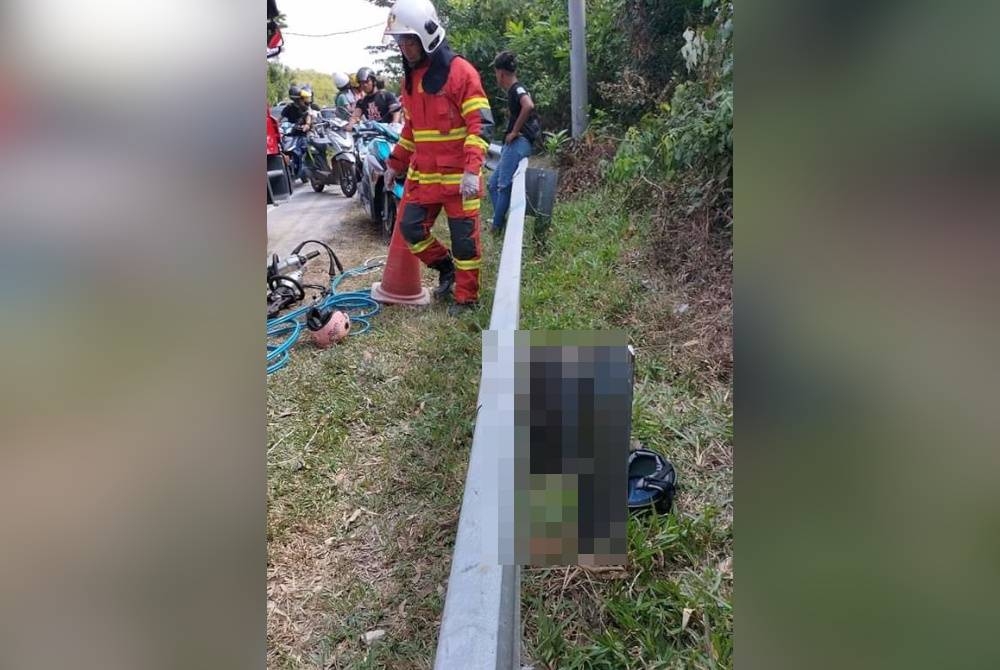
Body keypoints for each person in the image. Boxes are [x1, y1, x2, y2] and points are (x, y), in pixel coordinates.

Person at [381, 0, 494, 315]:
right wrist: (394, 163)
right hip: (427, 177)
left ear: (426, 36)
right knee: (411, 229)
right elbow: (412, 131)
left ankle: (467, 299)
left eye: (408, 40)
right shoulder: (411, 80)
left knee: (465, 244)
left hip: (461, 180)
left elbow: (481, 124)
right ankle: (447, 269)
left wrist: (472, 170)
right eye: (399, 41)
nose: (403, 47)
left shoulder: (461, 73)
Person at [488, 50, 540, 234]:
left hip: (518, 142)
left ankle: (496, 227)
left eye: (496, 73)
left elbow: (528, 105)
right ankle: (499, 220)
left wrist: (515, 131)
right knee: (493, 185)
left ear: (500, 73)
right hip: (515, 144)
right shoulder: (513, 90)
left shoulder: (517, 88)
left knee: (503, 186)